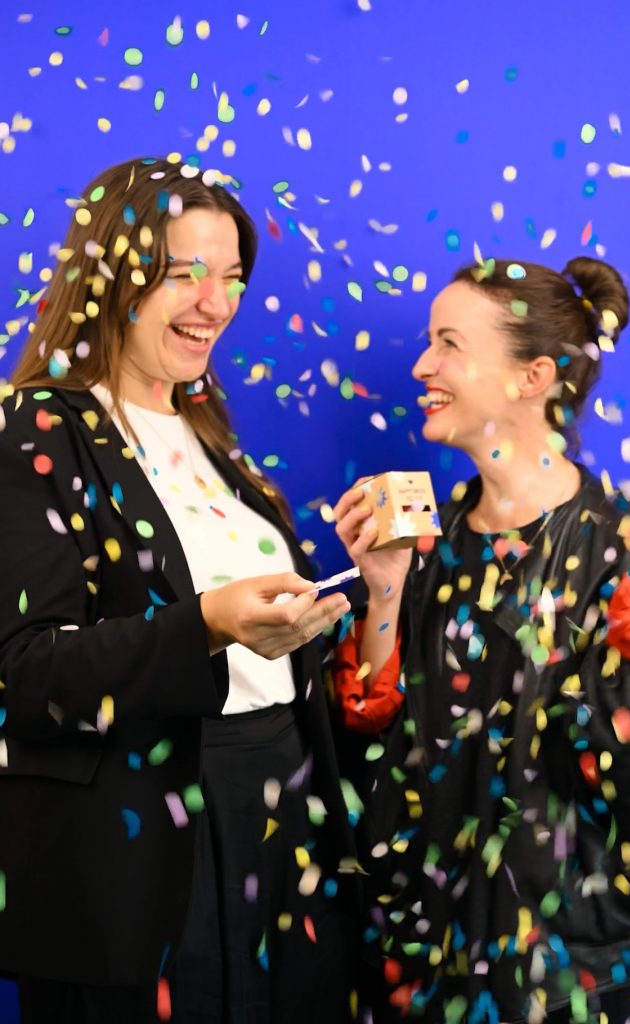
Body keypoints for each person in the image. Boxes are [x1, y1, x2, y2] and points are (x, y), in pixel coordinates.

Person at [0, 156, 358, 1024]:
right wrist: (204, 625)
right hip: (137, 849)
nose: (216, 303)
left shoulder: (209, 431)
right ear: (108, 276)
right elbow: (24, 673)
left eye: (231, 276)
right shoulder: (35, 427)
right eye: (183, 273)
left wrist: (361, 592)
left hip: (280, 806)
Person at [332, 256, 630, 1023]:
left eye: (448, 344)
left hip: (568, 982)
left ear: (532, 376)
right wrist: (383, 591)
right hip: (424, 974)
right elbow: (376, 757)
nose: (421, 366)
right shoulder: (428, 540)